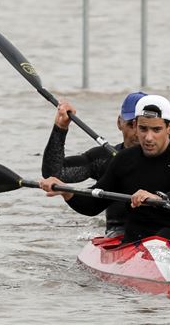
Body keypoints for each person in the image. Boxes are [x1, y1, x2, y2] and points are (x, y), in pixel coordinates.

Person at [40, 95, 170, 249]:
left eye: (156, 130)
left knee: (165, 235)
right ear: (134, 126)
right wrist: (66, 191)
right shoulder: (124, 160)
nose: (148, 138)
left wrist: (159, 198)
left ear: (169, 128)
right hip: (134, 244)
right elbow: (92, 205)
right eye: (143, 129)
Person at [41, 91, 147, 237]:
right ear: (119, 123)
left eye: (143, 126)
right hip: (117, 235)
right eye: (131, 124)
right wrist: (60, 128)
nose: (137, 133)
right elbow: (55, 174)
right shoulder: (103, 158)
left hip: (161, 235)